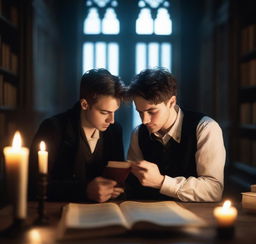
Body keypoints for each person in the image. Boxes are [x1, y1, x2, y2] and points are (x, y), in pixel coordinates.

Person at [126, 67, 226, 202]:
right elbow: (133, 186)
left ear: (171, 102)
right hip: (149, 215)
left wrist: (161, 182)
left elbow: (213, 190)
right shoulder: (138, 133)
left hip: (195, 216)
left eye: (152, 111)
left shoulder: (205, 128)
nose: (144, 121)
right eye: (139, 112)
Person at [29, 68, 125, 203]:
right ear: (84, 104)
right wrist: (84, 190)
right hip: (61, 212)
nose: (112, 120)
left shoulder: (115, 130)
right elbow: (33, 185)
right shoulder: (52, 129)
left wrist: (116, 188)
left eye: (114, 112)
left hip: (105, 211)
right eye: (104, 112)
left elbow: (118, 178)